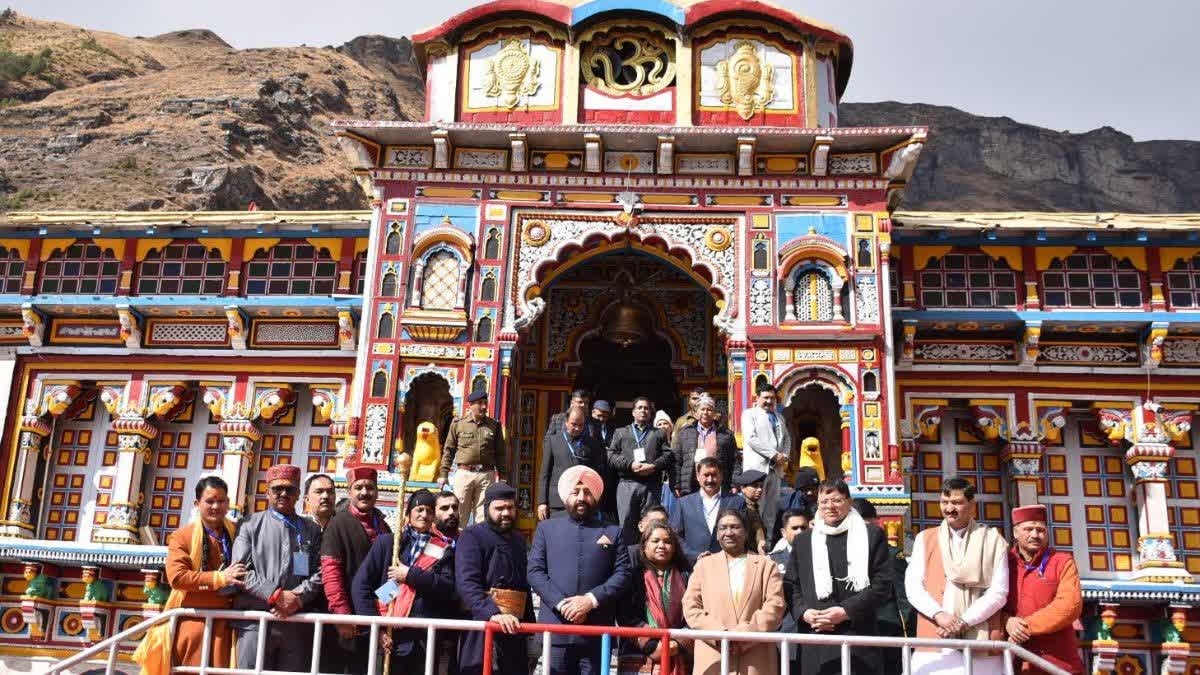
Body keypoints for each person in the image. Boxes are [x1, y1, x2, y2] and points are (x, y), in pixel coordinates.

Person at [135, 476, 246, 674]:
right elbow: (177, 578)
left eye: (221, 501)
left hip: (231, 623)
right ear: (197, 503)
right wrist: (219, 578)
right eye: (209, 501)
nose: (216, 506)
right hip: (195, 621)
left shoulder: (239, 533)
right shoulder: (182, 536)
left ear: (228, 503)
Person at [528, 465, 633, 675]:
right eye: (575, 492)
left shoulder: (613, 532)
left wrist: (590, 601)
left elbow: (623, 574)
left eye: (587, 492)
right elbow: (535, 572)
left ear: (596, 496)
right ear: (566, 496)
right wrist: (563, 605)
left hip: (596, 631)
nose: (581, 498)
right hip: (556, 630)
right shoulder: (546, 529)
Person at [788, 480, 893, 675]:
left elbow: (882, 585)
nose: (830, 506)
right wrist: (804, 612)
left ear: (849, 502)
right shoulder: (803, 540)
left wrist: (845, 611)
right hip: (816, 636)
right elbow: (792, 585)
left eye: (836, 500)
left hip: (858, 636)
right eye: (824, 501)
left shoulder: (871, 535)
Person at [906, 477, 1009, 675]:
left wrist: (963, 622)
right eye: (944, 502)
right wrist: (939, 615)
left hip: (981, 638)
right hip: (936, 636)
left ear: (972, 505)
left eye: (957, 502)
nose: (949, 509)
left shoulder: (992, 540)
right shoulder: (925, 539)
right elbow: (913, 587)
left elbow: (999, 591)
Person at [352, 489, 457, 674]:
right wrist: (375, 629)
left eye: (429, 511)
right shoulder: (389, 544)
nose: (424, 515)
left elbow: (447, 587)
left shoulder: (443, 550)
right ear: (408, 515)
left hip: (425, 640)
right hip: (390, 637)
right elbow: (361, 586)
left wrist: (410, 575)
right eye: (419, 510)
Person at [231, 464, 323, 672]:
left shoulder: (310, 529)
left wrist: (298, 598)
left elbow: (319, 571)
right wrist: (275, 595)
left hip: (294, 621)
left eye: (289, 489)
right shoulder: (249, 524)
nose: (283, 493)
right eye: (277, 489)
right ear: (267, 492)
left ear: (298, 494)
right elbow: (240, 571)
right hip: (255, 621)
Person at [682, 508, 785, 675]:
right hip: (713, 655)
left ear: (746, 532)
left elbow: (775, 606)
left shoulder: (766, 565)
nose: (728, 532)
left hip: (755, 657)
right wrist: (720, 635)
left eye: (735, 527)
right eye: (723, 528)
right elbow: (691, 607)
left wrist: (746, 634)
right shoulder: (704, 565)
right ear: (717, 534)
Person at [456, 482, 535, 675]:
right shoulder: (472, 536)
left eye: (510, 507)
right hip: (482, 624)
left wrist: (531, 632)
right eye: (499, 508)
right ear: (487, 509)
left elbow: (523, 586)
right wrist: (493, 613)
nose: (506, 513)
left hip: (514, 627)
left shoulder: (518, 540)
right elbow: (467, 582)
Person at [318, 466, 390, 674]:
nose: (364, 492)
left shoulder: (383, 527)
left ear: (377, 491)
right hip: (347, 623)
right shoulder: (338, 524)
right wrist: (342, 616)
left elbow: (390, 577)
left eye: (370, 487)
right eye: (358, 487)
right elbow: (331, 573)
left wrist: (384, 612)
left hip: (375, 618)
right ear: (349, 492)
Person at [1005, 505, 1085, 674]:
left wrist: (1024, 627)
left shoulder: (1062, 561)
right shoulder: (1003, 563)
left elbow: (1069, 606)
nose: (1035, 535)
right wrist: (1006, 621)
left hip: (1057, 662)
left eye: (1040, 530)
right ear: (1015, 533)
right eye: (1028, 529)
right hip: (1013, 663)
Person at [617, 521, 691, 675]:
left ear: (674, 547)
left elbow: (694, 613)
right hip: (639, 652)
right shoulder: (632, 576)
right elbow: (625, 614)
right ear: (644, 546)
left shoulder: (687, 575)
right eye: (655, 541)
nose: (662, 545)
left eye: (667, 542)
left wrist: (676, 644)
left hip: (677, 651)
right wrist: (651, 645)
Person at [853, 497, 915, 675]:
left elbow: (904, 600)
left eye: (866, 526)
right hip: (857, 632)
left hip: (888, 632)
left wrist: (908, 635)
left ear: (876, 523)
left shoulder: (892, 555)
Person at [609, 397, 674, 543]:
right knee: (626, 526)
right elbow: (611, 456)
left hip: (651, 485)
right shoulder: (621, 432)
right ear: (633, 412)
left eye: (646, 408)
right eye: (639, 408)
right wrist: (630, 464)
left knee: (651, 525)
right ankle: (627, 556)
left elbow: (668, 455)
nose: (643, 411)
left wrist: (654, 466)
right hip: (627, 484)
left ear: (650, 412)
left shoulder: (658, 433)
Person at [439, 390, 507, 524]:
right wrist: (443, 474)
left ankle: (479, 538)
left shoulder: (494, 425)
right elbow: (449, 450)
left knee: (483, 517)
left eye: (485, 403)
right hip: (464, 474)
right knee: (459, 515)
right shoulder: (458, 424)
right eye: (480, 403)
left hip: (486, 475)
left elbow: (500, 453)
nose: (484, 406)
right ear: (471, 405)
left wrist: (503, 475)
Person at [740, 384, 791, 550]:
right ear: (757, 398)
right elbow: (751, 438)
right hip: (757, 470)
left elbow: (787, 439)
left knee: (771, 511)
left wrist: (784, 455)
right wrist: (774, 455)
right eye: (766, 398)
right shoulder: (749, 414)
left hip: (775, 469)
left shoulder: (779, 417)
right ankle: (754, 545)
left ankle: (767, 545)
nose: (769, 401)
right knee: (756, 509)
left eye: (772, 398)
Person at [670, 457, 744, 565]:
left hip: (729, 564)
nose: (710, 480)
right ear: (698, 476)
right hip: (694, 567)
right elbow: (675, 536)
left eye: (714, 475)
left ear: (721, 476)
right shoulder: (683, 503)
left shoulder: (737, 502)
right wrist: (694, 555)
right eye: (706, 475)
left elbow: (744, 533)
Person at [539, 408, 607, 521]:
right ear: (566, 422)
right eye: (573, 424)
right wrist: (542, 502)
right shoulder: (553, 441)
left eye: (581, 425)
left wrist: (596, 500)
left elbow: (596, 474)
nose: (577, 428)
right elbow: (545, 473)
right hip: (558, 502)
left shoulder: (592, 443)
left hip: (582, 501)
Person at [671, 395, 736, 498]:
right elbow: (676, 460)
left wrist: (734, 484)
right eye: (702, 409)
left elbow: (735, 460)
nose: (705, 412)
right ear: (696, 413)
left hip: (716, 483)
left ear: (714, 413)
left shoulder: (725, 434)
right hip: (691, 485)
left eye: (709, 409)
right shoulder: (685, 433)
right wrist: (676, 484)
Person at [734, 470, 769, 554]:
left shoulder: (753, 506)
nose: (760, 489)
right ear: (743, 488)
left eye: (761, 486)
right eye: (755, 486)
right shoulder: (741, 508)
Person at [630, 504, 671, 568]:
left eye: (663, 522)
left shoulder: (673, 552)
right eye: (653, 523)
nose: (658, 526)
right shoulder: (630, 555)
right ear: (641, 526)